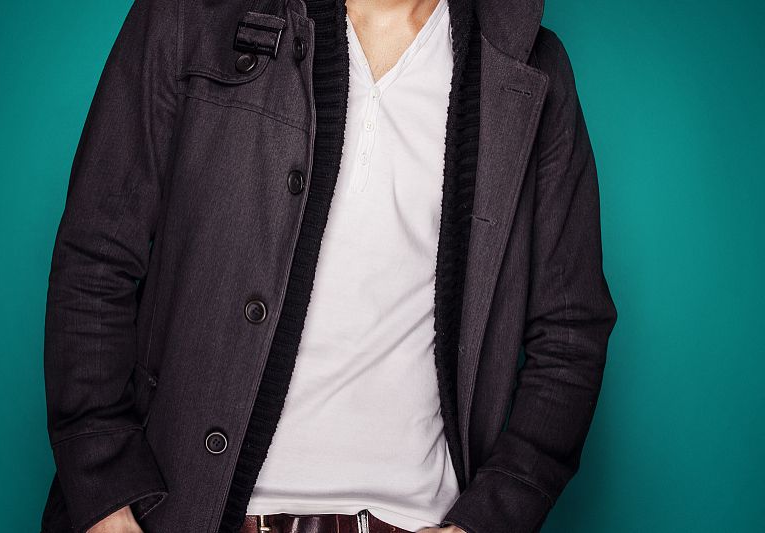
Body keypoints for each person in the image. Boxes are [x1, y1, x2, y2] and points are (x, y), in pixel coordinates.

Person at [41, 0, 618, 532]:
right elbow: (96, 256)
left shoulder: (527, 69)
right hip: (189, 513)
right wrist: (106, 498)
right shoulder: (192, 16)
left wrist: (490, 520)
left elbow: (572, 331)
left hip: (412, 515)